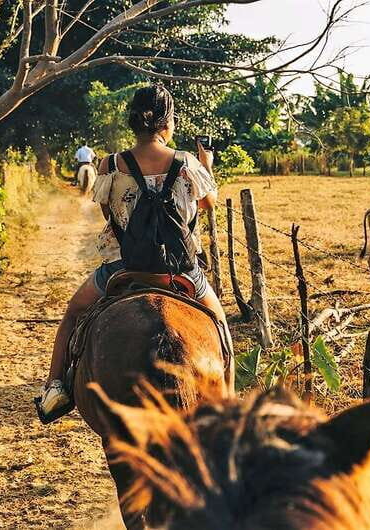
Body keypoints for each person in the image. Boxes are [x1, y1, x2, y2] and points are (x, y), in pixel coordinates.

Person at [38, 85, 228, 417]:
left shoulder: (111, 164)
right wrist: (205, 165)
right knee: (220, 325)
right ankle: (228, 406)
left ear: (133, 124)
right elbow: (209, 204)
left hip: (123, 267)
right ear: (167, 125)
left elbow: (108, 213)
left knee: (73, 313)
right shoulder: (186, 162)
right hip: (180, 271)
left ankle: (55, 387)